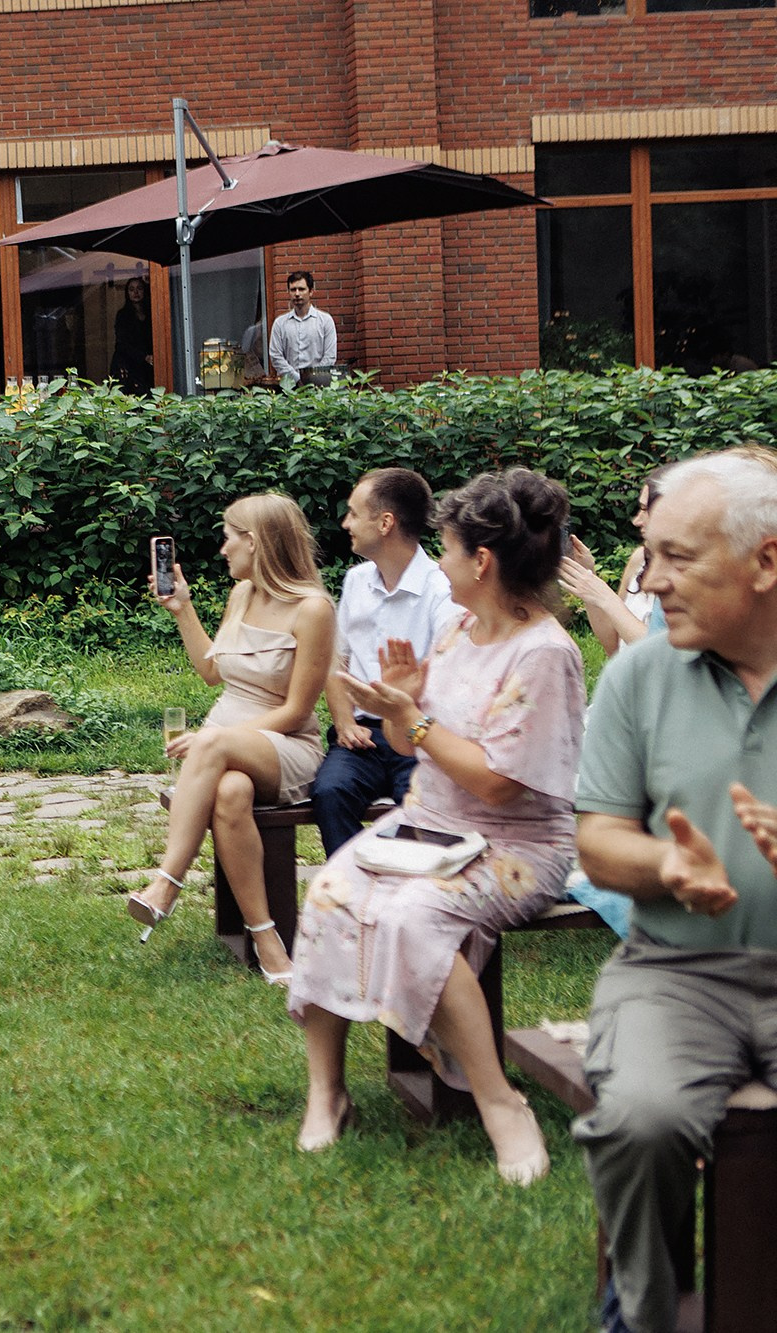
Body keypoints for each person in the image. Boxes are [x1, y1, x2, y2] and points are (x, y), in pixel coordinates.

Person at [289, 468, 584, 1185]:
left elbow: (497, 781)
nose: (439, 561)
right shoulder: (456, 629)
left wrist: (414, 721)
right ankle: (327, 1091)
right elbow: (409, 742)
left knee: (414, 918)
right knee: (329, 890)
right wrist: (399, 707)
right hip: (429, 823)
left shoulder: (544, 654)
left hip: (516, 843)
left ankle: (499, 1101)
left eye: (447, 549)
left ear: (481, 561)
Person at [568, 450, 777, 1333]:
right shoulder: (639, 675)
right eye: (650, 555)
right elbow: (598, 839)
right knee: (640, 1120)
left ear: (766, 560)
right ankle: (643, 1315)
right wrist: (666, 867)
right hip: (675, 971)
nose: (650, 581)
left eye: (677, 558)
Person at [127, 494, 336, 983]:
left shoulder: (314, 609)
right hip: (228, 748)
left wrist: (213, 740)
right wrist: (182, 608)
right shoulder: (241, 594)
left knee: (211, 745)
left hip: (286, 746)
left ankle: (167, 884)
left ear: (255, 542)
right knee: (231, 791)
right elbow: (211, 673)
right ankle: (267, 939)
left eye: (229, 537)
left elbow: (296, 711)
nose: (223, 549)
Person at [311, 468, 459, 855]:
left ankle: (409, 883)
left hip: (418, 735)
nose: (346, 523)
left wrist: (406, 707)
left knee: (420, 803)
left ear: (385, 522)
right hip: (362, 735)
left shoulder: (441, 589)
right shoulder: (356, 580)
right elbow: (337, 662)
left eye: (353, 513)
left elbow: (450, 677)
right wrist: (344, 722)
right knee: (330, 791)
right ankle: (349, 884)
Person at [559, 468, 669, 658]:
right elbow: (614, 646)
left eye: (645, 510)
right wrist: (589, 578)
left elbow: (659, 654)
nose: (637, 521)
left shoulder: (690, 576)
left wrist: (606, 597)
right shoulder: (639, 559)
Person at [268, 271, 338, 387]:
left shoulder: (325, 321)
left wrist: (312, 378)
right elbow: (276, 356)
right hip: (289, 388)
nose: (297, 294)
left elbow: (330, 356)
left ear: (311, 291)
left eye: (301, 289)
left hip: (319, 388)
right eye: (293, 290)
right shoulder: (280, 324)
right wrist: (295, 378)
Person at [109, 277, 154, 394]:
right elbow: (122, 344)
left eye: (139, 288)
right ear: (127, 293)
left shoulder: (152, 313)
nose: (136, 292)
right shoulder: (123, 315)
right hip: (128, 365)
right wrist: (144, 357)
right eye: (132, 289)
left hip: (148, 367)